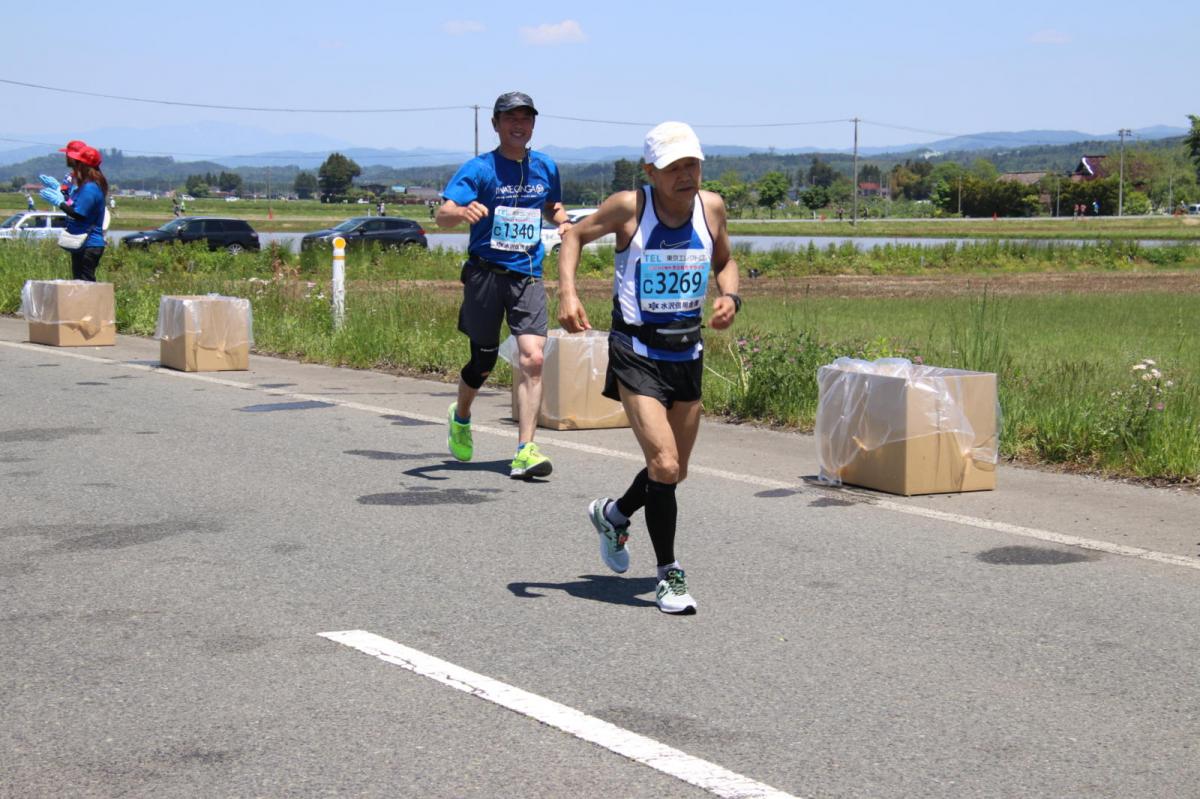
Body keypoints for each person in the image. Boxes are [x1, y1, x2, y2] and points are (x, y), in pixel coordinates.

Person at [556, 121, 741, 615]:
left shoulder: (712, 207)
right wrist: (569, 292)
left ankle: (614, 515)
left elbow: (725, 260)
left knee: (674, 473)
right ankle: (669, 575)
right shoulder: (629, 207)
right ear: (651, 171)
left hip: (688, 354)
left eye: (692, 164)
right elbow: (573, 236)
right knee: (663, 464)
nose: (686, 175)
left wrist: (730, 296)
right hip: (636, 351)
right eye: (674, 167)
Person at [435, 91, 572, 479]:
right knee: (484, 360)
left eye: (526, 118)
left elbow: (552, 204)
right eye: (510, 118)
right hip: (484, 274)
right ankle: (460, 416)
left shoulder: (545, 166)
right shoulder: (479, 169)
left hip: (527, 273)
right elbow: (442, 214)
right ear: (496, 124)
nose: (519, 125)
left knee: (533, 357)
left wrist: (562, 219)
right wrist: (462, 211)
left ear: (533, 125)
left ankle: (525, 449)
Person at [38, 140, 108, 282]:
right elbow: (74, 202)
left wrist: (60, 202)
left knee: (85, 283)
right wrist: (60, 191)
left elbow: (79, 214)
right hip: (83, 243)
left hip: (89, 243)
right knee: (79, 282)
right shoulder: (86, 186)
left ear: (82, 164)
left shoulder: (90, 188)